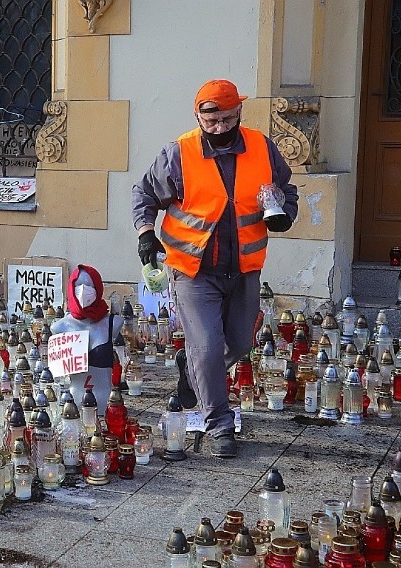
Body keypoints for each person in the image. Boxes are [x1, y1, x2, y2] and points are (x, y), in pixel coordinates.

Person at [131, 79, 298, 458]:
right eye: (212, 122)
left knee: (239, 342)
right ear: (199, 118)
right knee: (206, 346)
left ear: (239, 112)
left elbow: (286, 188)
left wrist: (285, 212)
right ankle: (218, 424)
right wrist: (145, 234)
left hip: (243, 269)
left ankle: (192, 373)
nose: (220, 129)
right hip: (193, 269)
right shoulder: (179, 152)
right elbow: (144, 193)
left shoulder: (261, 147)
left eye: (226, 120)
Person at [50, 265, 121, 413]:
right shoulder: (59, 327)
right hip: (73, 405)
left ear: (98, 288)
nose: (83, 290)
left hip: (105, 404)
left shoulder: (113, 323)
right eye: (78, 285)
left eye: (89, 285)